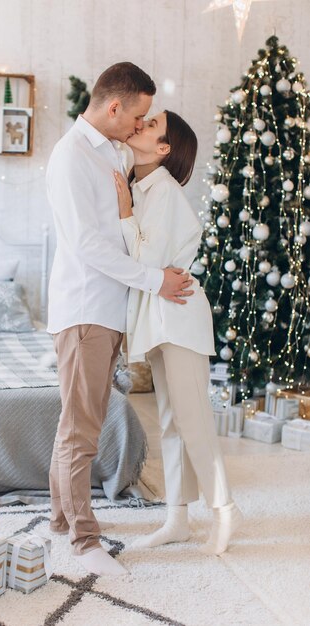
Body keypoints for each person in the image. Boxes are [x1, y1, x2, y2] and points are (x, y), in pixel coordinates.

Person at [46, 63, 194, 577]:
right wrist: (156, 282)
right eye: (138, 114)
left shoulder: (110, 149)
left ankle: (62, 522)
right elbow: (88, 245)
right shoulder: (72, 157)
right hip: (85, 309)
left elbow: (127, 231)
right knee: (81, 431)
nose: (140, 124)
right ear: (114, 108)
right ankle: (85, 543)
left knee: (77, 425)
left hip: (108, 312)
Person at [114, 110, 243, 555]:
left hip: (180, 314)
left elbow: (148, 264)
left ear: (164, 148)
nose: (140, 124)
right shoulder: (140, 185)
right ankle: (178, 519)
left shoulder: (163, 192)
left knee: (193, 420)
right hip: (158, 314)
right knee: (170, 423)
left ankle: (224, 509)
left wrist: (126, 214)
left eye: (151, 125)